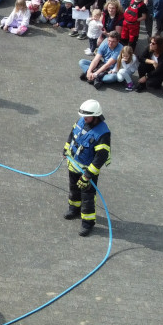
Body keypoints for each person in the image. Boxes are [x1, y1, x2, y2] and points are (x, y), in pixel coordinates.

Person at [64, 98, 112, 237]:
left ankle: (88, 223)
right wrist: (66, 150)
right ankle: (74, 209)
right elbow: (72, 135)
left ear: (96, 115)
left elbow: (100, 158)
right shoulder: (82, 122)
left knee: (88, 197)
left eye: (87, 116)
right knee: (74, 189)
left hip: (87, 170)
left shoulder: (103, 133)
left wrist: (87, 175)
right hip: (73, 164)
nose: (84, 118)